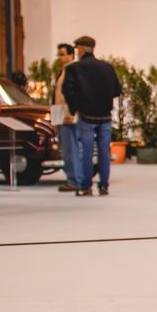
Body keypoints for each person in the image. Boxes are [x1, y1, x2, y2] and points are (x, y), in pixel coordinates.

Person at [62, 35, 121, 196]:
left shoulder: (74, 69)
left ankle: (85, 186)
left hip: (86, 116)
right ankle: (104, 185)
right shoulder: (107, 68)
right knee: (104, 152)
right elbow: (117, 90)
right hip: (105, 116)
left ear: (81, 49)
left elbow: (68, 91)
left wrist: (74, 108)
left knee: (86, 152)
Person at [52, 42, 81, 192]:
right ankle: (72, 178)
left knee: (71, 149)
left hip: (68, 114)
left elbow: (73, 94)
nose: (60, 57)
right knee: (66, 148)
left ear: (71, 55)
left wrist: (71, 112)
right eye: (59, 55)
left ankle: (74, 180)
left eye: (63, 54)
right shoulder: (62, 71)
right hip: (60, 112)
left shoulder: (73, 70)